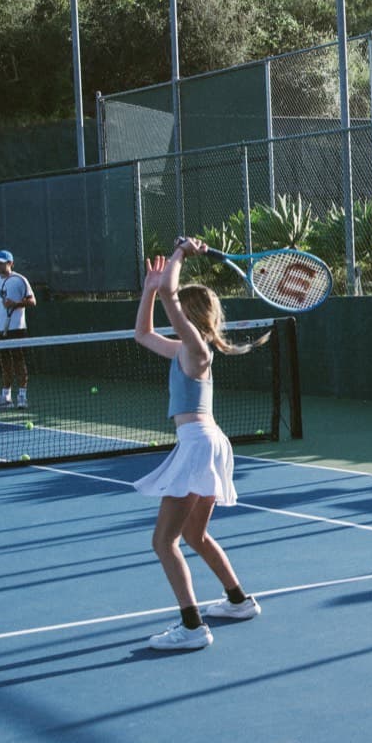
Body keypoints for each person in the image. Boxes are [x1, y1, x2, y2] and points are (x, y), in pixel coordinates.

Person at [132, 236, 268, 653]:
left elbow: (171, 294)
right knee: (193, 534)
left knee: (164, 541)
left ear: (191, 317)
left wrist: (179, 254)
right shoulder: (183, 351)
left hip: (198, 446)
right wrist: (148, 291)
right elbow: (142, 333)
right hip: (207, 444)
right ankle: (238, 601)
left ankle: (191, 626)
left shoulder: (196, 350)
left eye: (180, 310)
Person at [0, 249, 35, 409]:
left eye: (2, 262)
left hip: (17, 329)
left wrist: (15, 304)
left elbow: (32, 301)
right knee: (4, 364)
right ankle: (6, 397)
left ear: (10, 263)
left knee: (19, 363)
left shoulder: (20, 280)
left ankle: (22, 397)